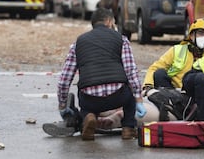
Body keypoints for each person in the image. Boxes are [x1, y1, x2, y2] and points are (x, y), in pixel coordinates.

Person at [48, 8, 146, 141]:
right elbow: (131, 71)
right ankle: (128, 128)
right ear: (109, 21)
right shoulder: (121, 39)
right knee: (129, 96)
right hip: (118, 96)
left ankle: (89, 117)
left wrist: (62, 105)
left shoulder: (78, 43)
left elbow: (65, 79)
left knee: (84, 100)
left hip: (90, 99)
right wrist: (138, 99)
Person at [142, 18, 204, 91]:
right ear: (191, 35)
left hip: (197, 92)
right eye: (200, 33)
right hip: (174, 90)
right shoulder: (177, 50)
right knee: (159, 74)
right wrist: (148, 85)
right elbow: (155, 68)